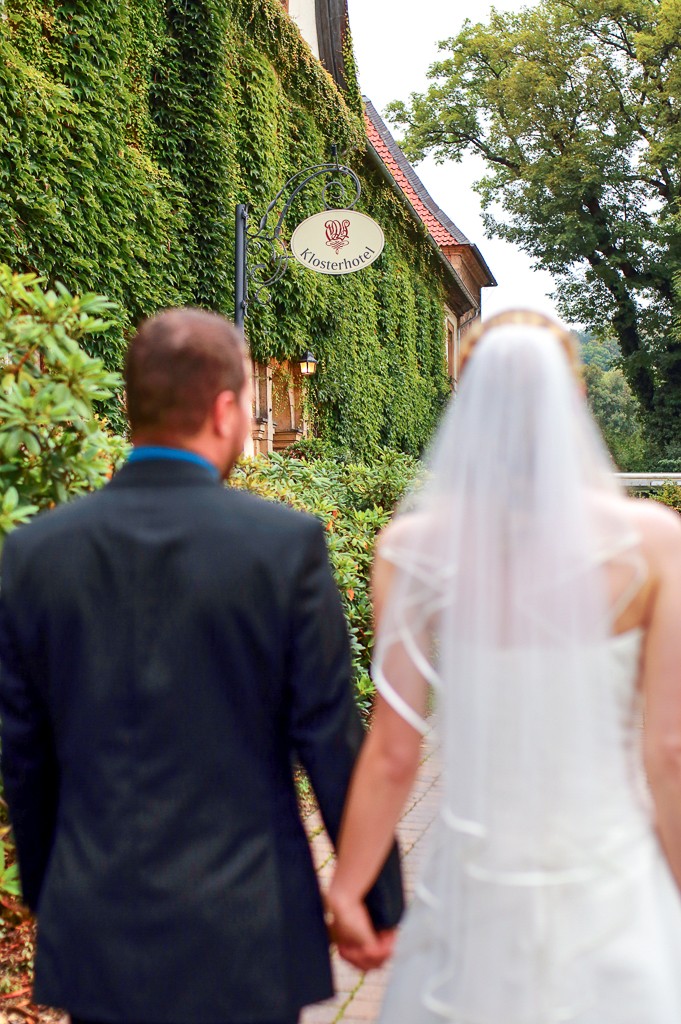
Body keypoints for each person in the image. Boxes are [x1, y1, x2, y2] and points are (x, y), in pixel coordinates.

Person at [0, 308, 403, 1024]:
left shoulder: (36, 554)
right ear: (225, 410)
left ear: (132, 407)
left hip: (98, 927)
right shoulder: (282, 546)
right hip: (247, 925)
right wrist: (373, 899)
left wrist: (52, 895)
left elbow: (26, 755)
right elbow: (330, 738)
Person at [326, 310, 681, 1023]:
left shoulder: (413, 549)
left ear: (467, 405)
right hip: (607, 876)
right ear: (572, 403)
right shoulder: (650, 542)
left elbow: (395, 752)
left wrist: (347, 887)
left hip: (475, 879)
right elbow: (667, 750)